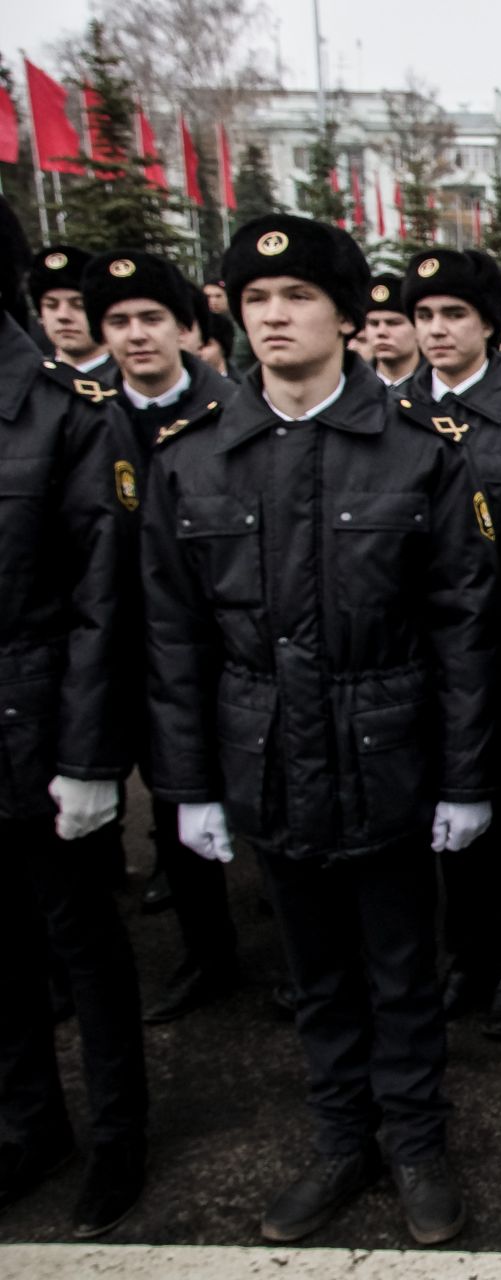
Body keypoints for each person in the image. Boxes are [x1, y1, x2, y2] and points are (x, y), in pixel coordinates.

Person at [143, 214, 499, 1245]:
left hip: (386, 745)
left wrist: (468, 780)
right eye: (254, 299)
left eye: (296, 295)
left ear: (346, 315)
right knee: (313, 973)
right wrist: (190, 785)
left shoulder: (420, 456)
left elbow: (465, 630)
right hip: (263, 747)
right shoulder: (194, 458)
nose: (273, 315)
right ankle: (343, 1140)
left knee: (400, 965)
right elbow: (173, 635)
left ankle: (418, 1143)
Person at [0, 196, 148, 1240]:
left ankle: (118, 1136)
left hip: (45, 725)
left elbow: (106, 600)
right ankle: (27, 1122)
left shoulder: (63, 410)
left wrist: (93, 756)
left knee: (83, 947)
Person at [396, 249, 501, 1042]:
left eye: (453, 314)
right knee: (441, 808)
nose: (436, 330)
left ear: (490, 326)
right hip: (420, 651)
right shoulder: (392, 413)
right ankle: (464, 954)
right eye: (424, 315)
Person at [80, 249, 243, 1026]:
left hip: (222, 641)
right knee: (173, 798)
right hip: (126, 643)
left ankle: (273, 931)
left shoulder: (232, 411)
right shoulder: (85, 414)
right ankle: (206, 949)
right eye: (117, 322)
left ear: (186, 326)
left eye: (151, 318)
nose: (136, 335)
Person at [29, 246, 112, 375]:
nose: (63, 316)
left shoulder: (132, 384)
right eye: (51, 305)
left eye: (79, 305)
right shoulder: (26, 383)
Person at [362, 274, 420, 387]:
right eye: (374, 323)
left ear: (417, 327)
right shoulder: (351, 385)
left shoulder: (438, 386)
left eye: (393, 323)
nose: (381, 332)